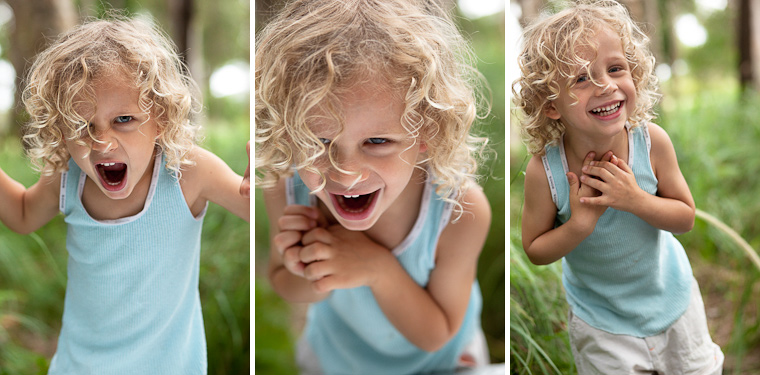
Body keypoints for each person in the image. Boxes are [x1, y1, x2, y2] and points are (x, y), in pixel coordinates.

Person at [0, 16, 249, 374]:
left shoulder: (188, 173)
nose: (101, 142)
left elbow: (252, 208)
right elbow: (23, 214)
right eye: (83, 126)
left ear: (160, 117)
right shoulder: (69, 178)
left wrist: (257, 184)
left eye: (124, 120)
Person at [255, 0, 492, 373]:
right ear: (287, 132)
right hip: (339, 360)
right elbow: (282, 282)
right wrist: (307, 267)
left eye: (378, 142)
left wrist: (377, 269)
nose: (346, 174)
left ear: (427, 131)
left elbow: (437, 332)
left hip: (441, 362)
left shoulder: (458, 209)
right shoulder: (286, 188)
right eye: (319, 143)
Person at [514, 1, 723, 373]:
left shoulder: (651, 143)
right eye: (580, 78)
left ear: (634, 73)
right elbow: (535, 249)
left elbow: (685, 217)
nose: (606, 85)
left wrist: (635, 199)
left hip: (671, 301)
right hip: (603, 322)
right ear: (550, 104)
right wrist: (579, 225)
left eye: (615, 69)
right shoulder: (545, 171)